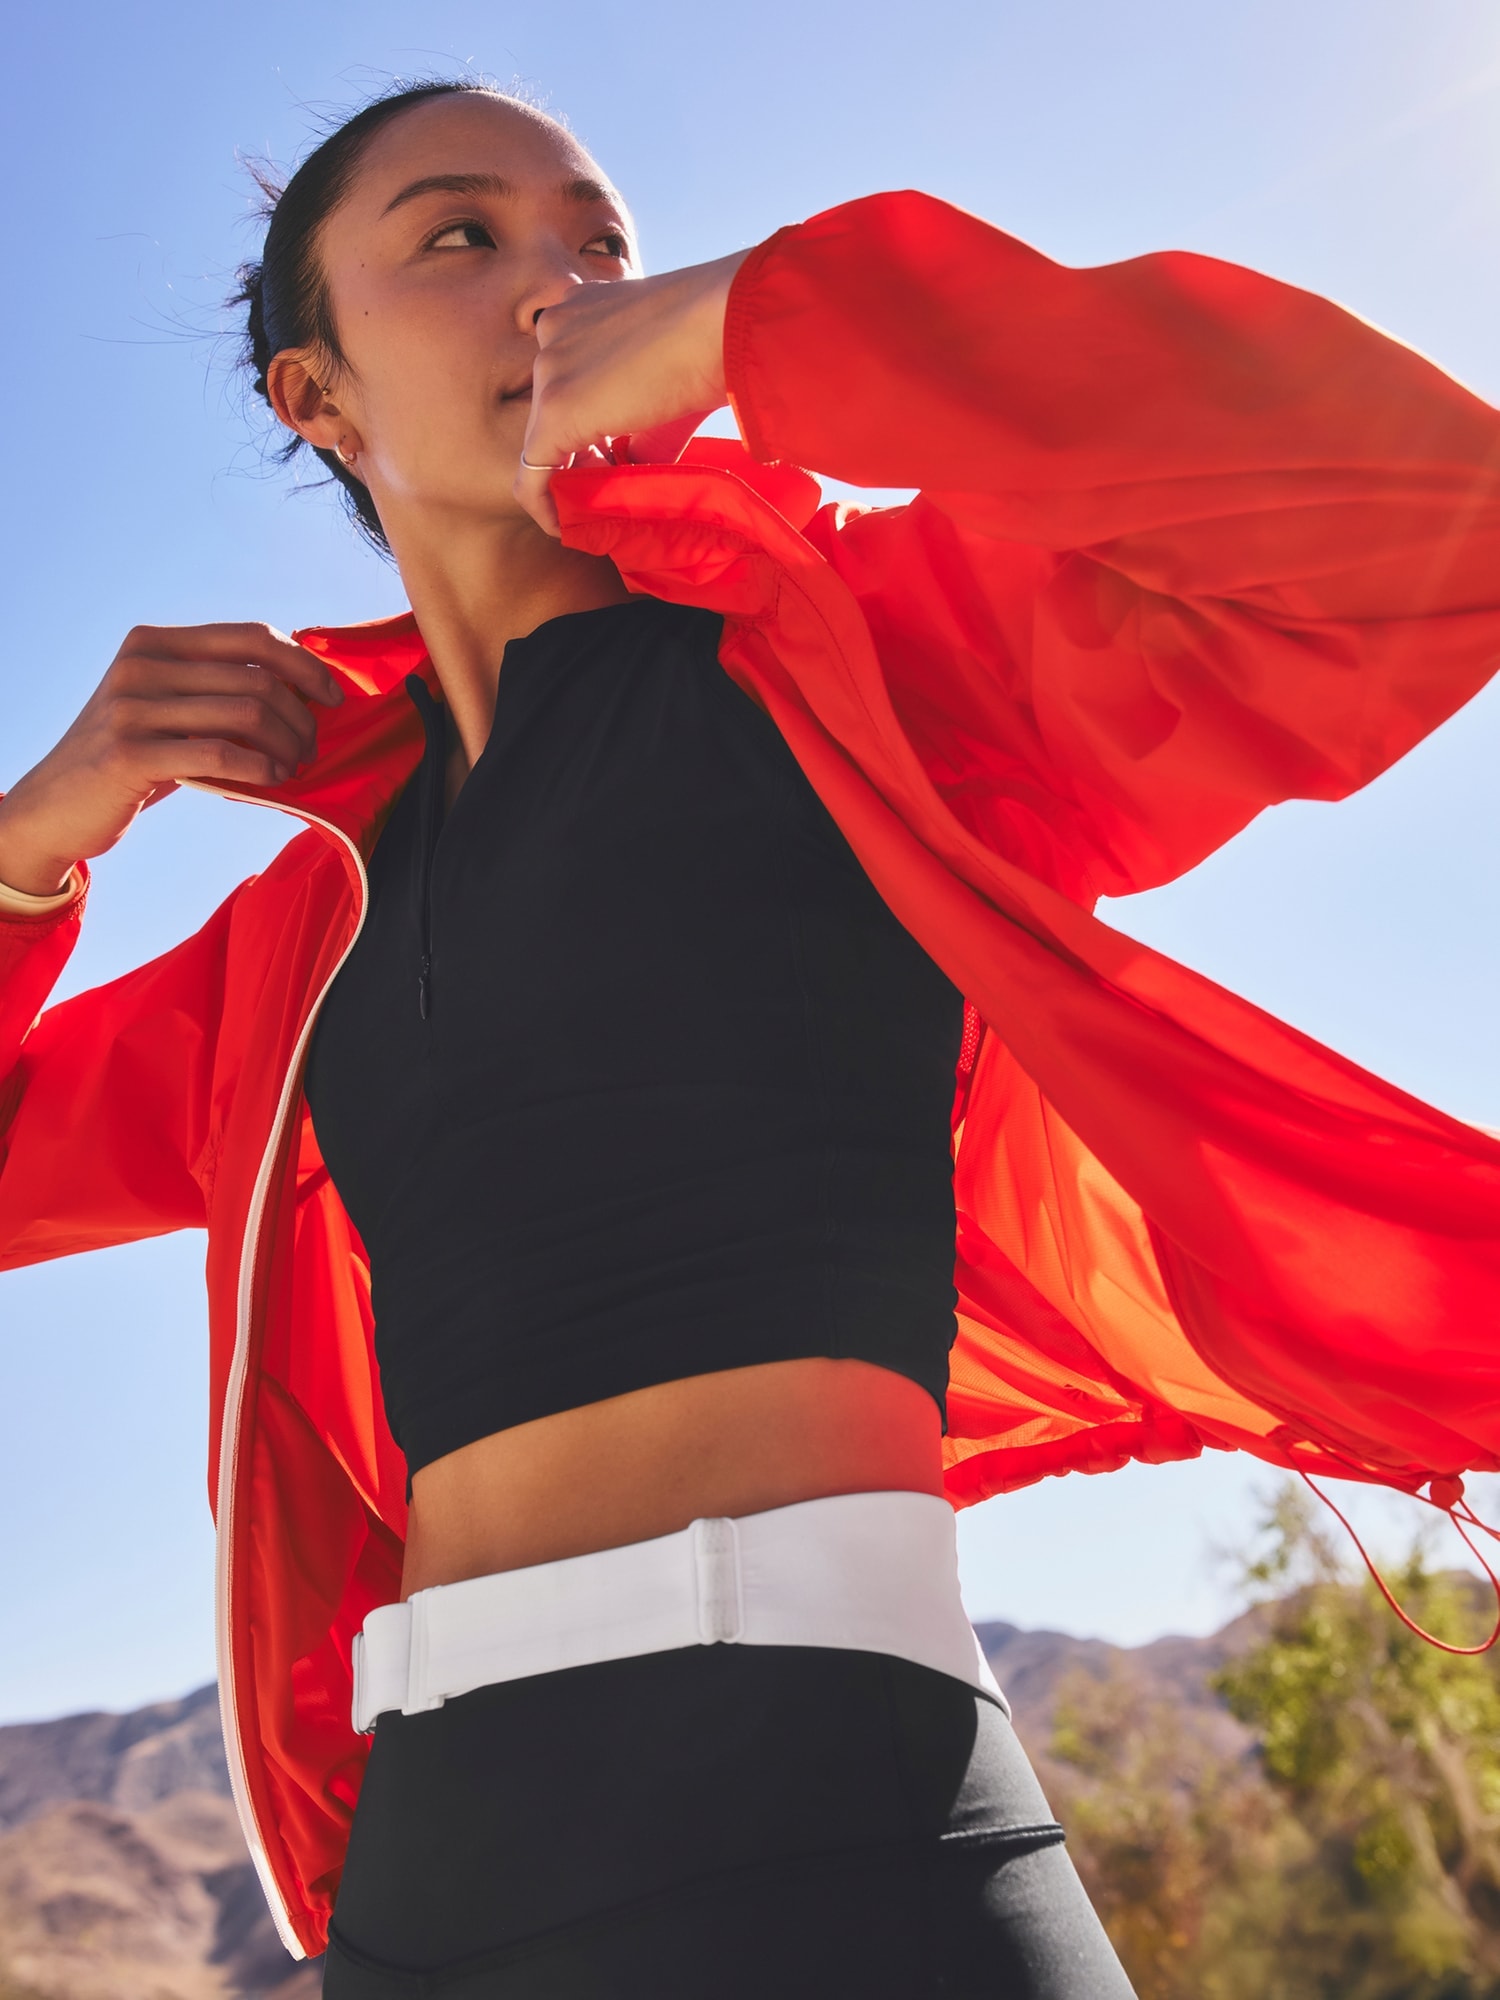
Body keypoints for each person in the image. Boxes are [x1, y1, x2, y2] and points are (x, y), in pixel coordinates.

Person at [1, 75, 1498, 1999]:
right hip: (428, 1876)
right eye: (462, 236)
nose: (555, 283)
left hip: (852, 1814)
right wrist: (25, 856)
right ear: (321, 398)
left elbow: (1424, 528)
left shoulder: (859, 657)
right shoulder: (311, 918)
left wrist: (776, 318)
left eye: (602, 243)